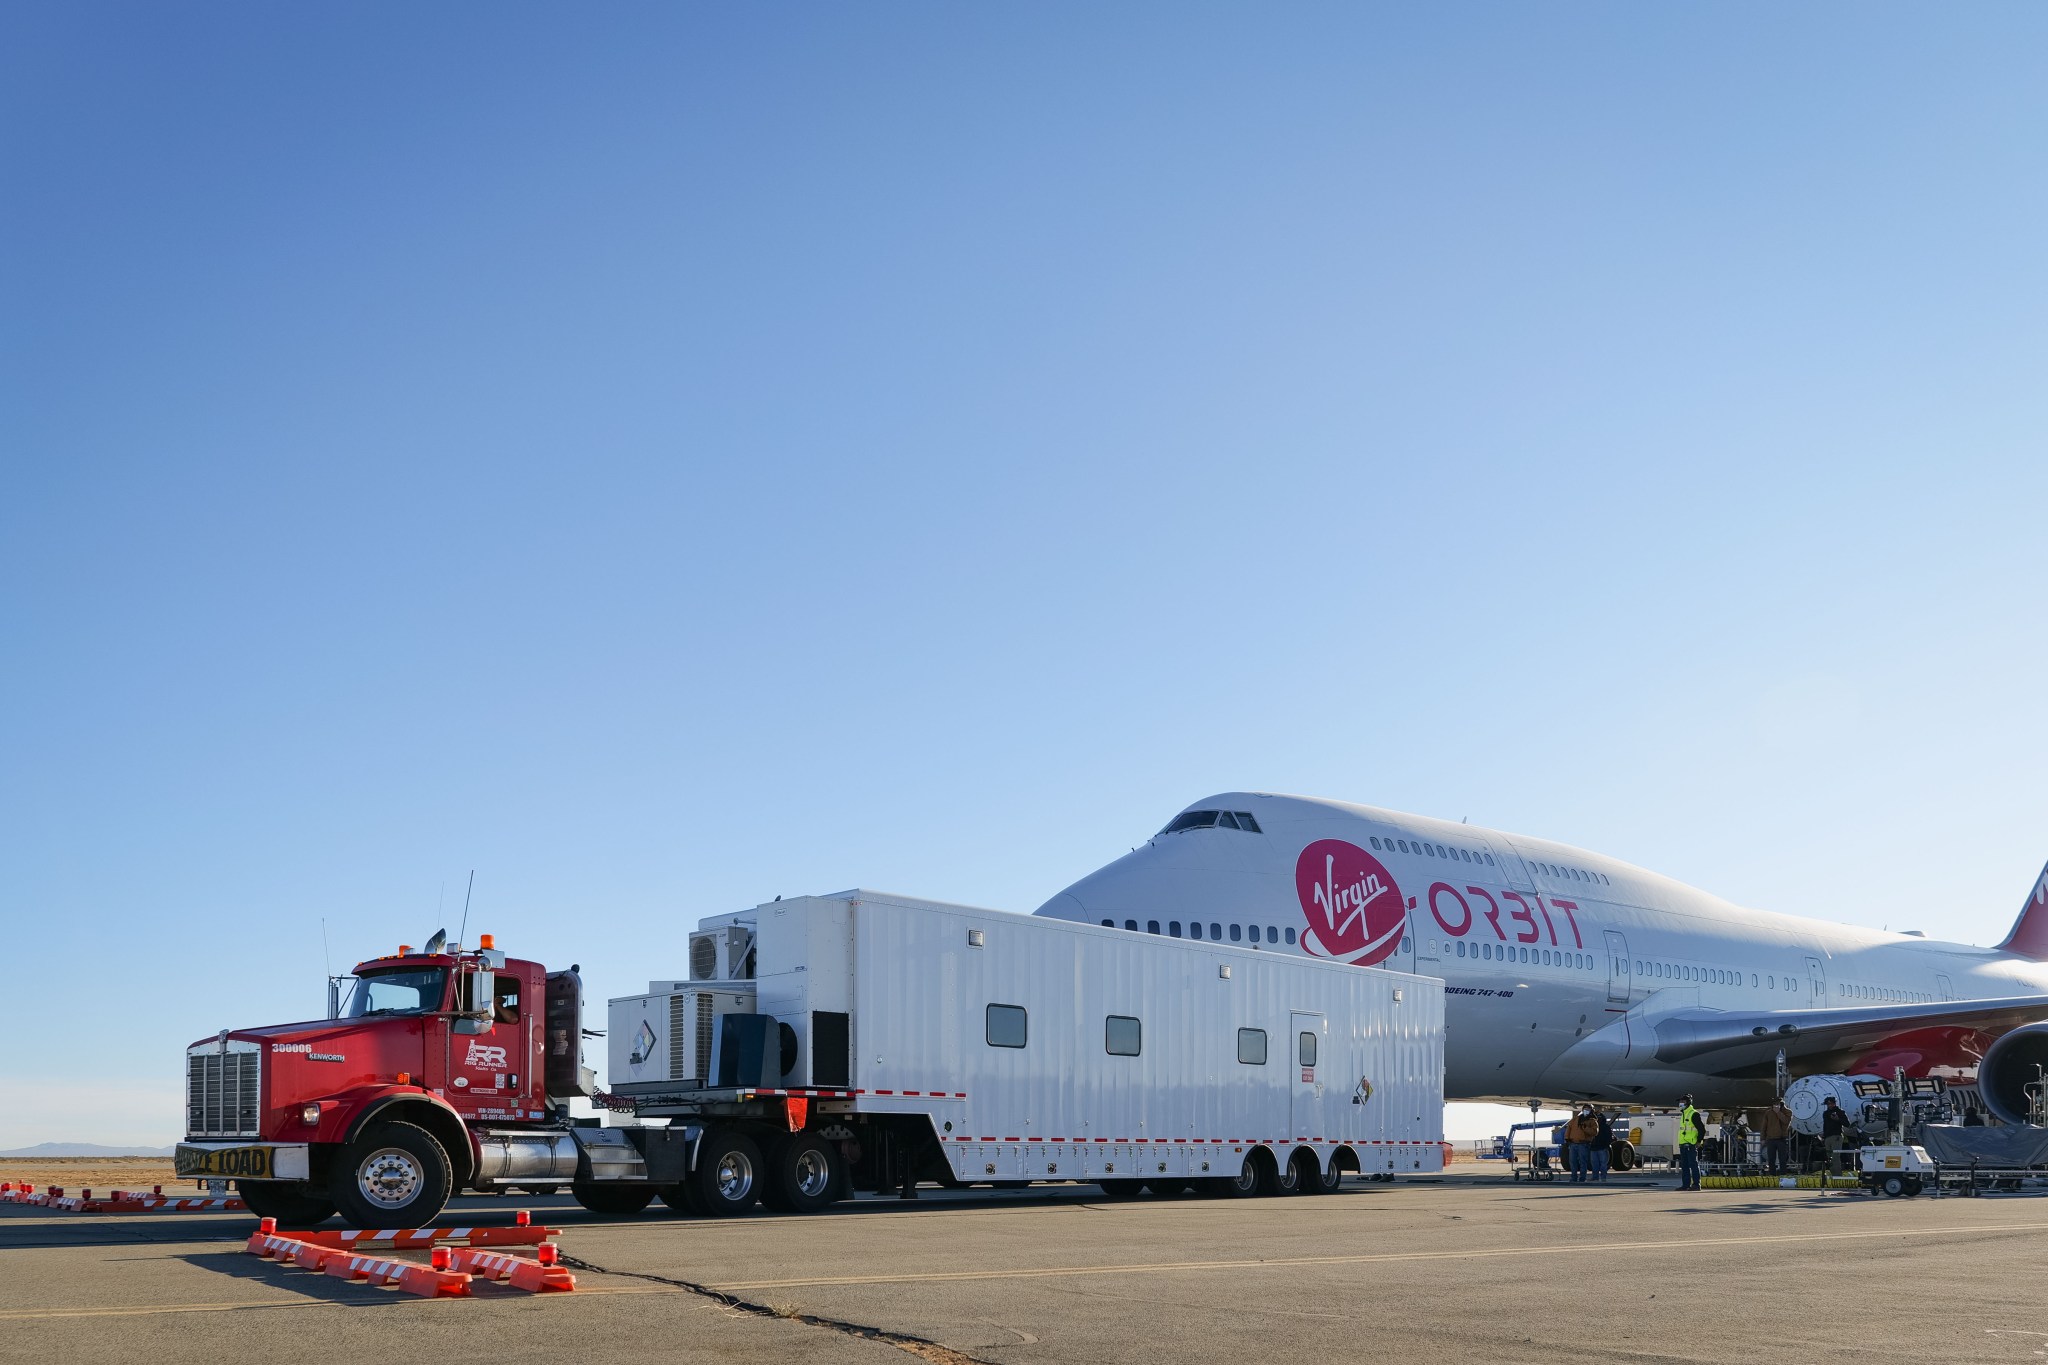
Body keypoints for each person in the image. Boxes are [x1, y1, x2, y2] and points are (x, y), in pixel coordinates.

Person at [1677, 1095, 1704, 1191]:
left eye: (1682, 1101)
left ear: (1688, 1102)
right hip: (1683, 1144)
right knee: (1684, 1166)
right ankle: (1685, 1185)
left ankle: (1696, 1184)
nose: (1680, 1103)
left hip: (1691, 1144)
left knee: (1693, 1164)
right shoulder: (1683, 1114)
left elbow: (1702, 1129)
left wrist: (1699, 1141)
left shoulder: (1693, 1114)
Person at [1759, 1099, 1794, 1175]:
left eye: (1778, 1104)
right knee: (1771, 1158)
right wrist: (1762, 1138)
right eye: (1774, 1104)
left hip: (1781, 1138)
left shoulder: (1788, 1112)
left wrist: (1778, 1113)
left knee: (1783, 1158)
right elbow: (1763, 1127)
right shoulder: (1768, 1113)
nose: (1776, 1106)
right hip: (1771, 1139)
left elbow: (1786, 1121)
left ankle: (1783, 1174)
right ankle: (1772, 1174)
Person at [1820, 1095, 1850, 1175]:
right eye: (1828, 1104)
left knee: (1835, 1156)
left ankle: (1837, 1175)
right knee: (1829, 1157)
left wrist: (1838, 1119)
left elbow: (1847, 1124)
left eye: (1831, 1103)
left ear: (1834, 1103)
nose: (1830, 1105)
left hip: (1836, 1136)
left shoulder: (1840, 1112)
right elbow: (1825, 1125)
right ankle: (1832, 1174)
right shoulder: (1825, 1113)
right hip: (1828, 1137)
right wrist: (1823, 1136)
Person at [1564, 1105, 1594, 1183]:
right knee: (1572, 1161)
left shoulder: (1592, 1120)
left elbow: (1594, 1132)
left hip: (1583, 1144)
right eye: (1585, 1109)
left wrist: (1585, 1128)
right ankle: (1573, 1177)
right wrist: (1567, 1138)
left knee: (1583, 1162)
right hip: (1573, 1143)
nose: (1586, 1111)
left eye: (1588, 1109)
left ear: (1591, 1110)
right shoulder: (1575, 1119)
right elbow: (1569, 1127)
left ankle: (1582, 1178)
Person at [1591, 1108, 1614, 1182]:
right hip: (1594, 1148)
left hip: (1601, 1148)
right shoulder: (1593, 1126)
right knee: (1596, 1164)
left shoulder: (1605, 1127)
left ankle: (1602, 1177)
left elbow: (1609, 1137)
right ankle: (1596, 1177)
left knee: (1602, 1164)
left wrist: (1606, 1145)